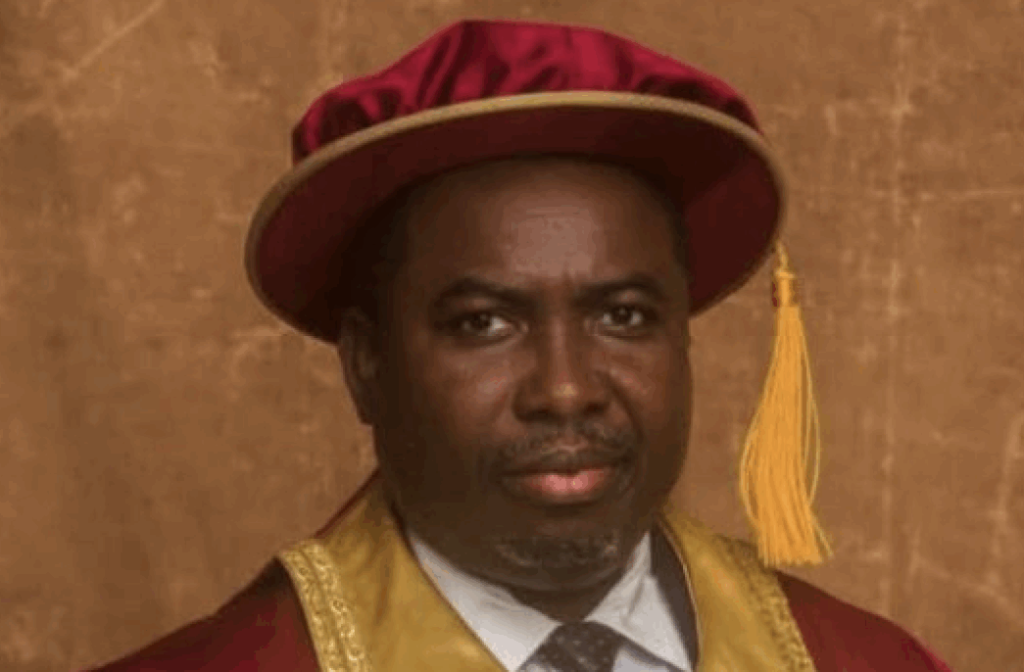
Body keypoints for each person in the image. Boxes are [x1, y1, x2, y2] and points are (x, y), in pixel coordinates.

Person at [85, 19, 954, 672]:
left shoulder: (865, 662)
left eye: (623, 317)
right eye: (483, 324)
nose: (567, 390)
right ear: (365, 367)